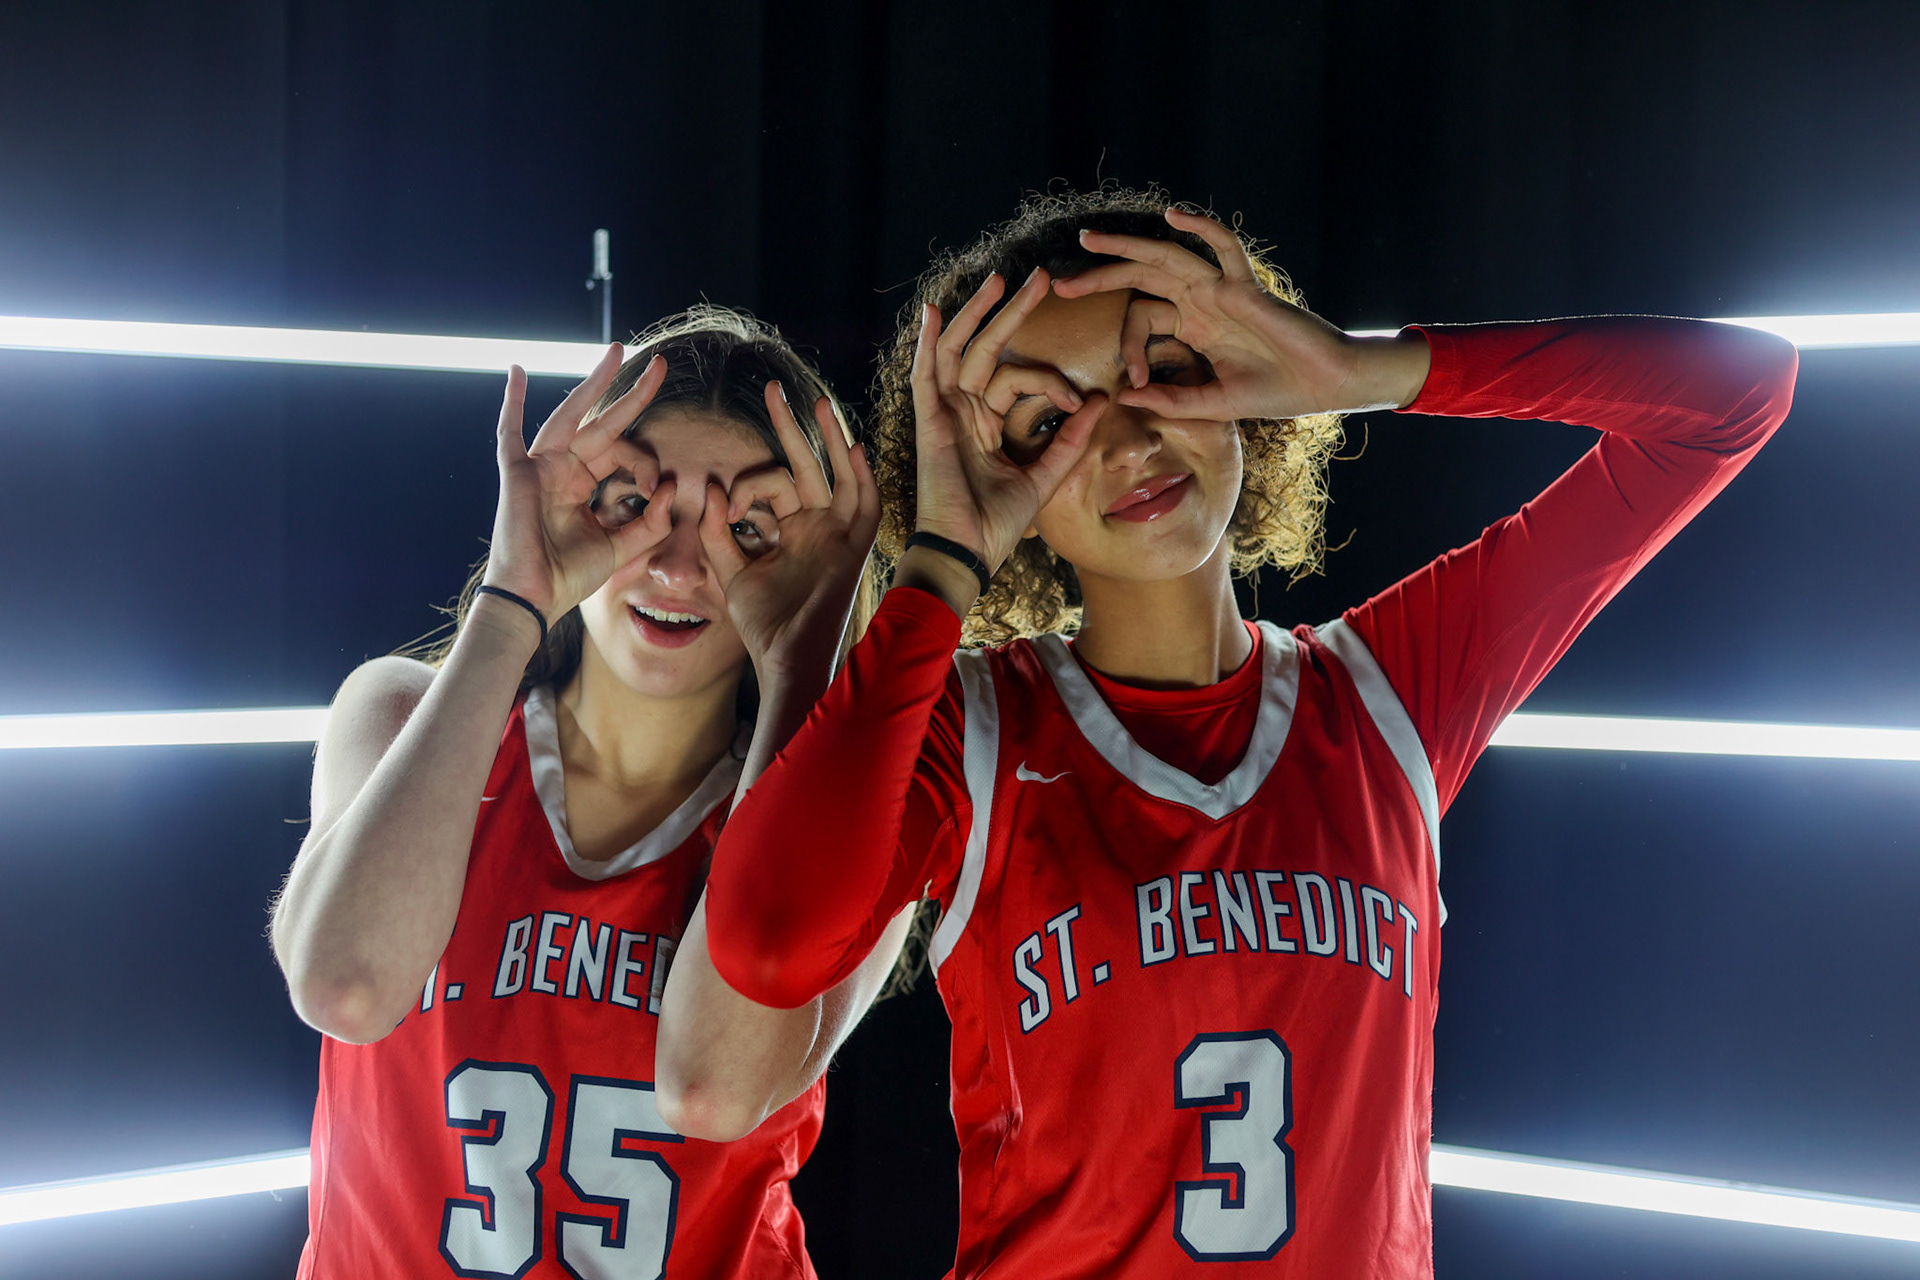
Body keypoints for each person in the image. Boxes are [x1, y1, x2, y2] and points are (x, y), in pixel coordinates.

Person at [673, 189, 1801, 1278]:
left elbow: (1739, 395)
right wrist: (942, 562)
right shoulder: (973, 723)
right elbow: (767, 942)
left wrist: (1361, 370)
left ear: (1242, 374)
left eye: (1163, 366)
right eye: (1044, 421)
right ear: (995, 470)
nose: (1123, 436)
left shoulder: (1393, 692)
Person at [270, 306, 904, 1279]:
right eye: (634, 503)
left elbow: (718, 1090)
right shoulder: (401, 713)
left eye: (747, 530)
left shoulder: (863, 817)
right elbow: (345, 984)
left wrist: (802, 660)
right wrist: (518, 593)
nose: (681, 563)